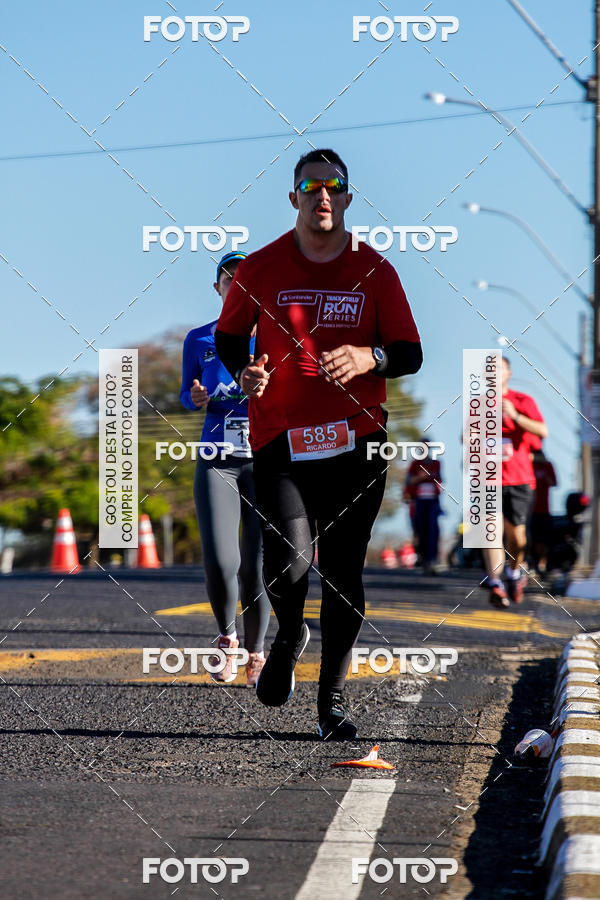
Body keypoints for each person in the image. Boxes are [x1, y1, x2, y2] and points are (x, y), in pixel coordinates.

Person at [215, 148, 422, 739]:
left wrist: (369, 356)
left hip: (357, 441)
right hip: (280, 439)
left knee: (342, 571)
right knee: (289, 562)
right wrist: (245, 372)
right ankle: (288, 634)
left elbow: (409, 352)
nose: (322, 195)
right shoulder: (261, 267)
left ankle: (331, 701)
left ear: (348, 198)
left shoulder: (375, 270)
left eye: (333, 186)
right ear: (294, 198)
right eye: (311, 187)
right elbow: (230, 337)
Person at [180, 251, 270, 686]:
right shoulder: (199, 338)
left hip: (267, 459)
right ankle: (227, 637)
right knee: (220, 560)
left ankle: (258, 651)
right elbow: (186, 393)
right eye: (228, 278)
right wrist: (196, 398)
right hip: (218, 457)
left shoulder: (276, 336)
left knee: (257, 565)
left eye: (244, 276)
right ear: (217, 288)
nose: (236, 283)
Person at [483, 356, 548, 608]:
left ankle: (512, 573)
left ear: (508, 373)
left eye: (499, 368)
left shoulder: (523, 401)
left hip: (519, 479)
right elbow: (467, 436)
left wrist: (515, 416)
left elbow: (542, 431)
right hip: (489, 479)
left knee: (517, 540)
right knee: (491, 531)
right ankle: (495, 583)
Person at [405, 438, 442, 574]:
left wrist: (430, 477)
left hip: (433, 501)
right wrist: (420, 478)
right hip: (419, 502)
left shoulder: (436, 463)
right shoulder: (415, 464)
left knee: (433, 530)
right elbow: (409, 481)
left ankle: (432, 560)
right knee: (421, 530)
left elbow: (439, 479)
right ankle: (423, 559)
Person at [530, 448, 557, 574]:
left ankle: (543, 563)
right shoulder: (529, 465)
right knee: (532, 538)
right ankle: (533, 563)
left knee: (545, 539)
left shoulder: (547, 465)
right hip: (530, 509)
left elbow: (554, 482)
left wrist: (545, 478)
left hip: (544, 509)